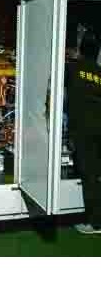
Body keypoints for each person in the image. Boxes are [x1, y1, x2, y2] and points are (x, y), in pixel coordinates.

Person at [66, 28, 101, 234]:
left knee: (89, 175)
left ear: (81, 49)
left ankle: (95, 222)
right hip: (98, 127)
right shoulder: (99, 72)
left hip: (83, 129)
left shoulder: (73, 69)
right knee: (96, 174)